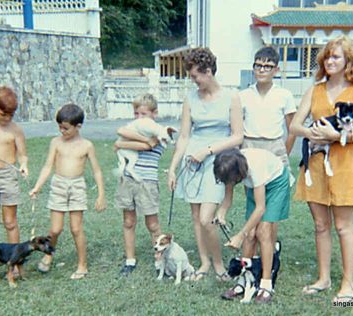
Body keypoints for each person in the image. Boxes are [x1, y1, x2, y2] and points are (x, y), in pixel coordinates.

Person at [289, 35, 353, 303]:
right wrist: (315, 133)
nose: (330, 61)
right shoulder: (315, 90)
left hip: (345, 165)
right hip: (316, 165)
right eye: (327, 56)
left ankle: (348, 284)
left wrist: (332, 137)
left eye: (336, 56)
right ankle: (323, 278)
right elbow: (294, 126)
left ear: (348, 60)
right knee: (320, 225)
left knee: (344, 227)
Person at [168, 48, 243, 281]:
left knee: (206, 218)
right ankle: (204, 263)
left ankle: (219, 264)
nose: (193, 81)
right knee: (195, 216)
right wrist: (172, 168)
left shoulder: (232, 97)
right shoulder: (190, 98)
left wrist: (208, 151)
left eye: (195, 76)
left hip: (218, 161)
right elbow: (183, 136)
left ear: (208, 71)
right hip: (193, 160)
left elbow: (237, 136)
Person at [30, 103, 106, 280]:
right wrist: (37, 187)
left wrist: (101, 194)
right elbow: (48, 166)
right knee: (55, 229)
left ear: (78, 126)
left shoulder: (87, 145)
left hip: (77, 186)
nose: (62, 131)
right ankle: (48, 255)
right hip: (59, 185)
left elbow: (97, 170)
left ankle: (82, 265)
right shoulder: (55, 142)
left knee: (76, 228)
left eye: (65, 128)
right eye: (59, 127)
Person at [213, 148, 290, 303]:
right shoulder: (228, 166)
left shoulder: (256, 168)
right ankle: (244, 280)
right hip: (257, 187)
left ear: (239, 173)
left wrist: (239, 235)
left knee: (263, 230)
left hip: (276, 183)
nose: (230, 183)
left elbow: (260, 208)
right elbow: (227, 199)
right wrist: (221, 213)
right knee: (250, 233)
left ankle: (266, 283)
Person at [114, 93, 164, 276]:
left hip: (147, 183)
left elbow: (147, 147)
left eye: (143, 114)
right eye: (136, 114)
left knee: (152, 224)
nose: (139, 119)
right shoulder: (138, 132)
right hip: (128, 180)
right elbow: (120, 135)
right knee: (128, 221)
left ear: (154, 113)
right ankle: (130, 260)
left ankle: (160, 259)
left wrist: (123, 144)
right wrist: (141, 140)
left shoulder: (160, 132)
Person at [239, 46, 296, 184]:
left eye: (267, 66)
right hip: (250, 144)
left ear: (276, 70)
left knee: (276, 187)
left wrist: (284, 152)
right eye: (258, 65)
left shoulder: (285, 95)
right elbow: (237, 128)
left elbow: (292, 130)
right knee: (253, 188)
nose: (262, 70)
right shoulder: (243, 95)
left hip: (274, 145)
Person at [0, 86, 28, 245]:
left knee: (10, 222)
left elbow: (22, 154)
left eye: (11, 115)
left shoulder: (15, 130)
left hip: (7, 176)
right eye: (3, 114)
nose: (7, 118)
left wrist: (23, 165)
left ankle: (14, 264)